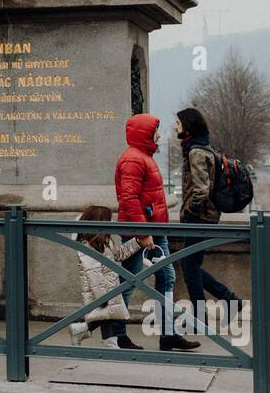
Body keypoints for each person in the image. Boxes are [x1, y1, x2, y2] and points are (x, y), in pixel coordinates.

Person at [115, 112, 196, 350]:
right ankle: (118, 335)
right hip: (141, 232)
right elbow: (128, 199)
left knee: (165, 277)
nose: (159, 135)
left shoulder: (142, 156)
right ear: (144, 134)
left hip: (154, 229)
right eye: (155, 131)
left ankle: (168, 334)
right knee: (128, 281)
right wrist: (142, 233)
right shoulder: (134, 159)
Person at [176, 107, 244, 334]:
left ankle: (200, 316)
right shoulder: (204, 147)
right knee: (192, 265)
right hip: (208, 217)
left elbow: (201, 190)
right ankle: (229, 300)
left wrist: (190, 213)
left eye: (178, 123)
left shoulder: (196, 152)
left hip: (200, 218)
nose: (175, 127)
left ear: (187, 126)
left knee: (188, 265)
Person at [68, 205, 153, 348]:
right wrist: (102, 297)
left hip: (109, 288)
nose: (111, 224)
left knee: (108, 316)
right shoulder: (88, 247)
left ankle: (100, 339)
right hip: (100, 291)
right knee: (106, 315)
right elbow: (93, 274)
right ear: (99, 222)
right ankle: (101, 340)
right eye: (108, 220)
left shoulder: (104, 242)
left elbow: (119, 254)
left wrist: (138, 242)